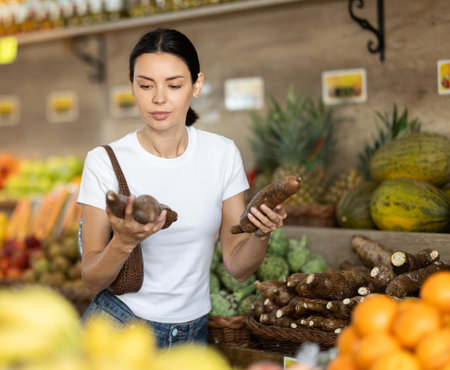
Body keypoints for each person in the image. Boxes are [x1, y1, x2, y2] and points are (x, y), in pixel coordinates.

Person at [77, 27, 287, 349]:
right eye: (145, 85)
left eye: (174, 85)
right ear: (132, 85)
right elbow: (92, 277)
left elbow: (238, 267)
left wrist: (261, 233)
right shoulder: (105, 161)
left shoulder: (222, 154)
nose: (159, 98)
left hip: (192, 336)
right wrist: (124, 241)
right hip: (118, 330)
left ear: (196, 85)